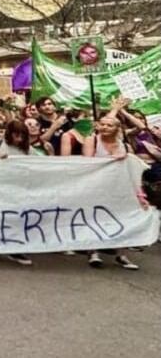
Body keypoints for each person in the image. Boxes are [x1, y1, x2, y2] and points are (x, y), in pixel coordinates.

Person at [83, 114, 138, 271]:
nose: (105, 127)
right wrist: (114, 158)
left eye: (109, 125)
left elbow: (132, 166)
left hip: (119, 187)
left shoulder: (125, 145)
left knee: (122, 219)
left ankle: (121, 254)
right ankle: (93, 251)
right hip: (96, 186)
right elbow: (88, 162)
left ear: (117, 128)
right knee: (95, 218)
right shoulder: (92, 140)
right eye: (102, 124)